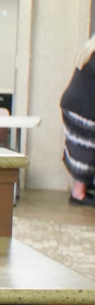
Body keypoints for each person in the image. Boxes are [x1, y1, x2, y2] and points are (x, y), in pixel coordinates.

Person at [62, 35, 95, 206]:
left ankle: (79, 192)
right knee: (85, 150)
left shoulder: (90, 50)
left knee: (84, 150)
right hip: (83, 108)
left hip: (76, 104)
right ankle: (78, 195)